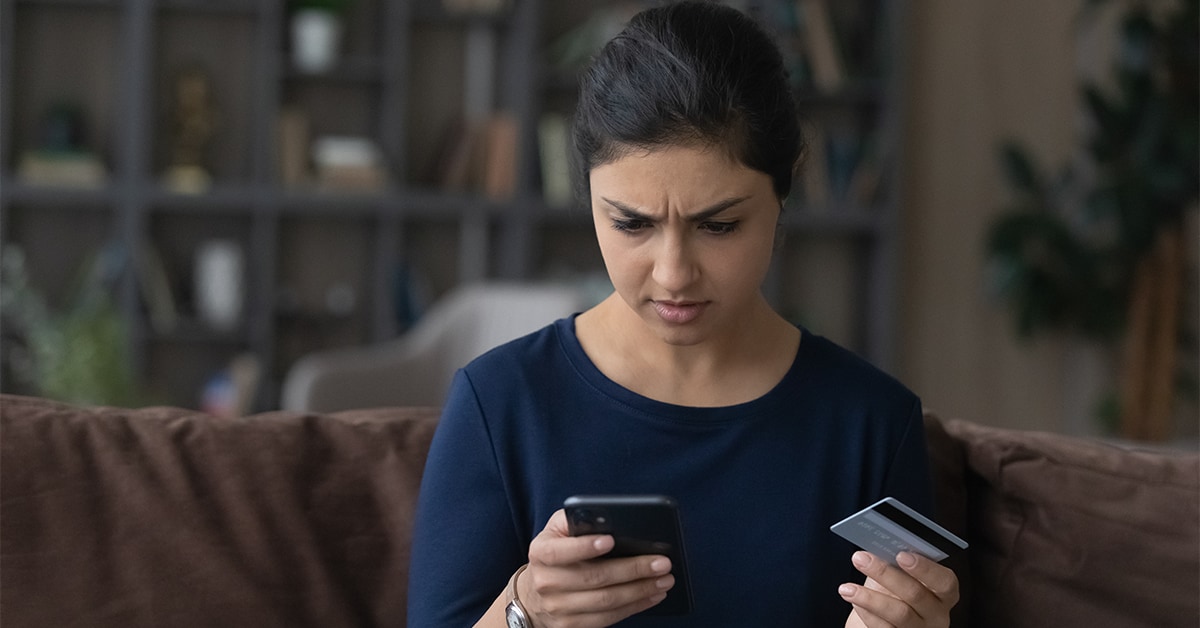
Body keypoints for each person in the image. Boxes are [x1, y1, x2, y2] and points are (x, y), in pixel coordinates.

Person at [408, 2, 960, 626]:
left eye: (718, 226)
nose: (673, 274)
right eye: (631, 224)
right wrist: (525, 609)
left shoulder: (872, 423)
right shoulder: (501, 402)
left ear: (784, 191)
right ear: (587, 196)